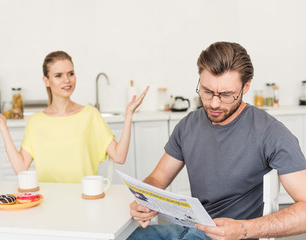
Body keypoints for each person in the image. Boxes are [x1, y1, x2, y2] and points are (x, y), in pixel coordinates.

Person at [128, 42, 306, 240]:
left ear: (245, 86)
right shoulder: (188, 126)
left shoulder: (271, 132)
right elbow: (157, 179)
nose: (214, 103)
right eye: (206, 91)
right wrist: (143, 200)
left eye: (226, 95)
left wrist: (243, 229)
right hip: (190, 228)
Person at [0, 50, 149, 183]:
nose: (67, 80)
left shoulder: (90, 115)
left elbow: (119, 156)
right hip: (47, 202)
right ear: (46, 81)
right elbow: (21, 168)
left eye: (71, 73)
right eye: (58, 75)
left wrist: (128, 115)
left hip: (84, 199)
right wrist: (3, 126)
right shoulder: (36, 122)